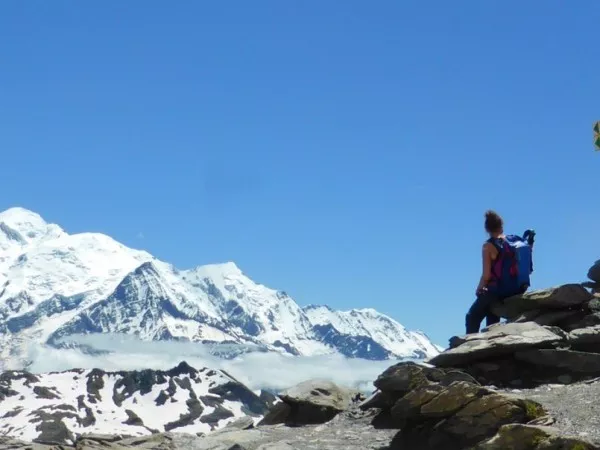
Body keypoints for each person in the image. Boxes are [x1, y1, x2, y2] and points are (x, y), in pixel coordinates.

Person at [465, 210, 537, 334]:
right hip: (516, 288)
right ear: (501, 226)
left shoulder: (488, 246)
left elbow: (486, 276)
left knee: (472, 317)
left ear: (486, 229)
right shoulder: (512, 240)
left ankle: (470, 348)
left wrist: (479, 289)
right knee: (492, 315)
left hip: (498, 290)